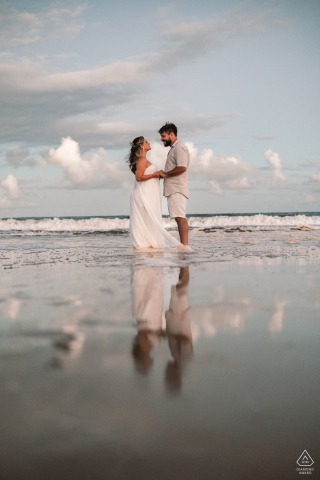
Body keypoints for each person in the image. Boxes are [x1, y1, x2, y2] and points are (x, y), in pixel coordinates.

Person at [127, 136, 181, 249]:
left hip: (147, 194)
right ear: (141, 145)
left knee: (149, 219)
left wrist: (158, 176)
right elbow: (139, 177)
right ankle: (143, 245)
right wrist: (155, 174)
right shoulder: (141, 160)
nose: (149, 143)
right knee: (146, 219)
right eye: (146, 142)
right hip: (143, 195)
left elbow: (146, 176)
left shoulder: (144, 160)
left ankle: (148, 245)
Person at [158, 122, 190, 247]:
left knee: (180, 217)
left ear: (171, 134)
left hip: (177, 188)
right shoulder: (174, 149)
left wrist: (165, 174)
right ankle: (184, 246)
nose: (161, 139)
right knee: (178, 217)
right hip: (174, 188)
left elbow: (182, 167)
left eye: (163, 136)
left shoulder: (179, 148)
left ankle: (185, 246)